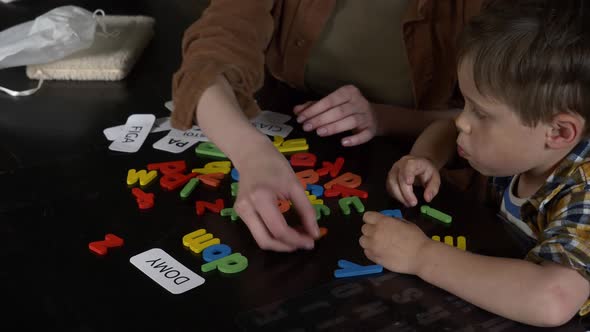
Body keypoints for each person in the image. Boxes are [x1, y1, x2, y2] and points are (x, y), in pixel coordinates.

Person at [171, 0, 484, 252]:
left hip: (423, 170)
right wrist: (251, 153)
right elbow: (208, 61)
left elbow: (502, 117)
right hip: (294, 131)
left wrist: (381, 118)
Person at [361, 0, 590, 326]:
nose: (462, 122)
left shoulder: (585, 190)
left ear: (558, 132)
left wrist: (420, 256)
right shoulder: (530, 146)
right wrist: (425, 158)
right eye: (466, 104)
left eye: (480, 113)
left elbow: (551, 299)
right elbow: (445, 128)